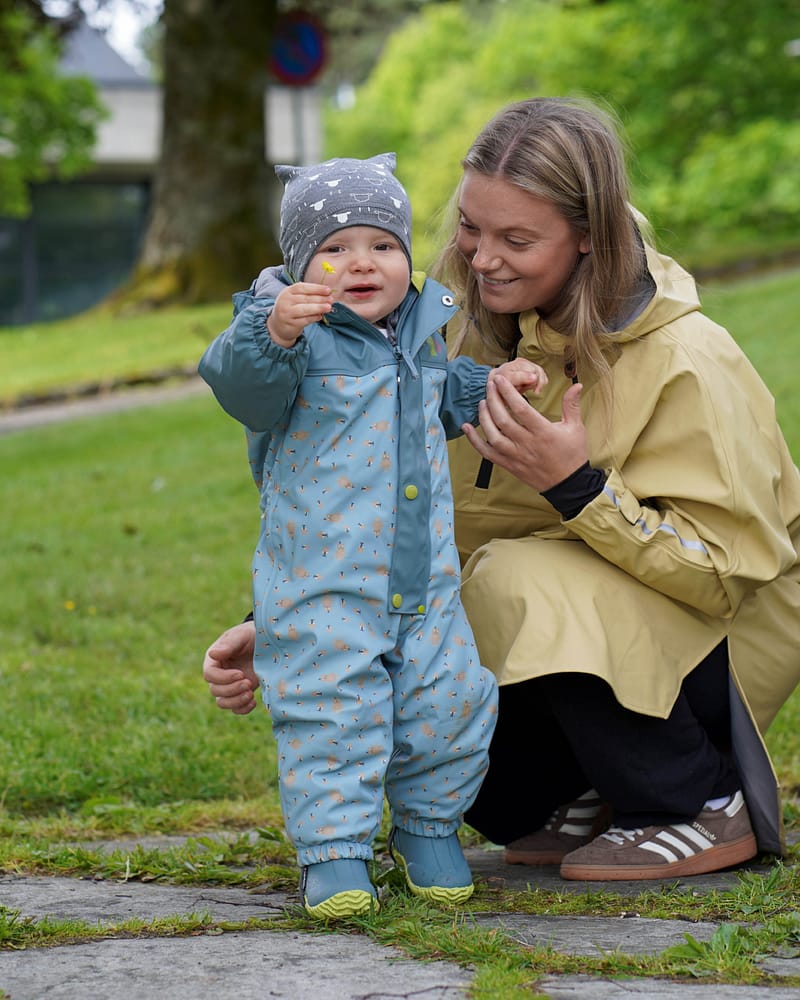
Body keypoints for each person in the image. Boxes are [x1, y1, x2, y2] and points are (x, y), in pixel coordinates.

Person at [204, 100, 800, 885]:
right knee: (458, 740)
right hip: (585, 629)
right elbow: (391, 502)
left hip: (715, 654)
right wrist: (292, 615)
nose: (483, 260)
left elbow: (730, 575)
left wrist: (576, 486)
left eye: (517, 241)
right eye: (470, 229)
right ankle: (592, 792)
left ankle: (695, 800)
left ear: (589, 235)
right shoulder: (445, 332)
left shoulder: (687, 356)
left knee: (517, 580)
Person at [198, 152, 547, 919]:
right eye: (336, 248)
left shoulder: (416, 331)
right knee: (333, 716)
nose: (362, 263)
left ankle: (428, 830)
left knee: (449, 704)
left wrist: (492, 384)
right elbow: (242, 390)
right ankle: (335, 853)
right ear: (300, 266)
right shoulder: (291, 340)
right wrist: (274, 333)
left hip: (423, 582)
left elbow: (441, 395)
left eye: (383, 245)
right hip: (324, 587)